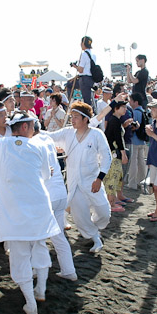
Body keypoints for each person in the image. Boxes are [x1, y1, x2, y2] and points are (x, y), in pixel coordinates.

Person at [0, 112, 60, 314]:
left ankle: (31, 302)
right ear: (24, 127)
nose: (34, 128)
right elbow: (46, 175)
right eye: (32, 125)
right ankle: (40, 291)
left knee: (20, 254)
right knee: (39, 245)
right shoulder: (39, 146)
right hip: (38, 205)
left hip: (15, 210)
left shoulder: (0, 145)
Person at [47, 101, 112, 254]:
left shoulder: (96, 134)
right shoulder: (67, 132)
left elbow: (106, 157)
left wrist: (99, 179)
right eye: (72, 116)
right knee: (80, 216)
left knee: (104, 212)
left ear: (85, 119)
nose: (73, 120)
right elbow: (49, 136)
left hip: (92, 180)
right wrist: (32, 129)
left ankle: (95, 226)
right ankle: (95, 237)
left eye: (76, 117)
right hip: (74, 183)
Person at [32, 124, 77, 281]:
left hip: (48, 196)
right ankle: (69, 270)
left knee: (38, 237)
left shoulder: (33, 143)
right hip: (60, 194)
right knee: (58, 236)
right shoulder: (47, 138)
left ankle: (37, 270)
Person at [104, 101, 129, 213]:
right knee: (113, 177)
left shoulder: (115, 120)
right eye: (123, 107)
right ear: (116, 108)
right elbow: (118, 139)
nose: (125, 109)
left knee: (114, 176)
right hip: (113, 152)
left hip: (111, 152)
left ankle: (112, 201)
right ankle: (111, 203)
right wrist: (123, 153)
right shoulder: (115, 120)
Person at [126, 92, 148, 190]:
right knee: (141, 162)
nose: (130, 102)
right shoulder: (143, 111)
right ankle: (141, 181)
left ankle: (132, 183)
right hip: (142, 140)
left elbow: (133, 126)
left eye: (131, 100)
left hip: (134, 140)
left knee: (133, 162)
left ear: (136, 102)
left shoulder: (135, 112)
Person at [71, 36, 96, 107]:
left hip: (84, 79)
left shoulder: (84, 54)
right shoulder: (93, 55)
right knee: (87, 98)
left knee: (86, 100)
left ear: (83, 43)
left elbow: (81, 70)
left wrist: (75, 66)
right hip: (91, 78)